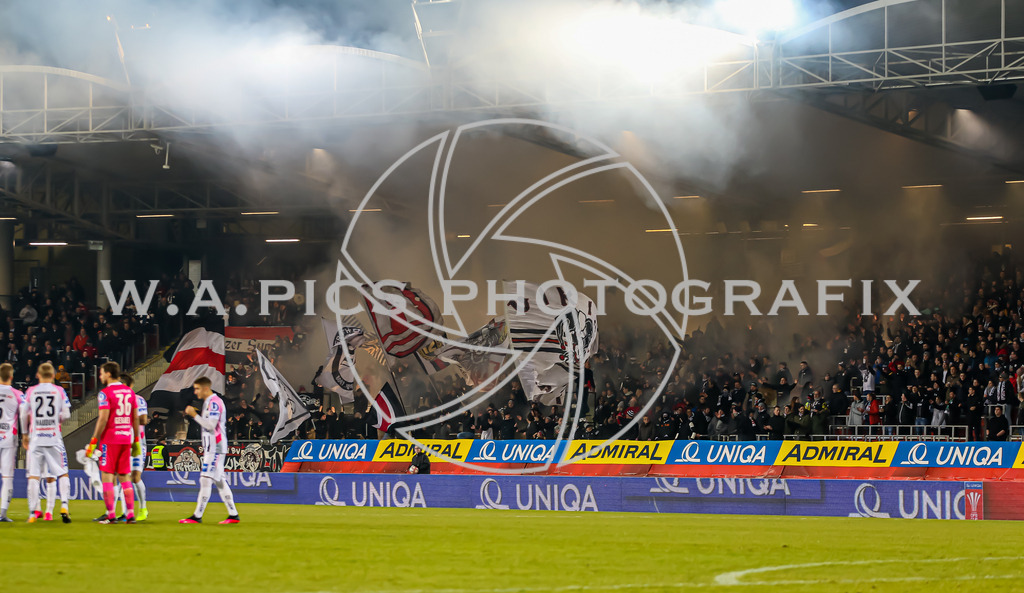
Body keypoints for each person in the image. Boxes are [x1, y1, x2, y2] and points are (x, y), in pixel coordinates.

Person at [85, 361, 141, 524]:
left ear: (109, 374)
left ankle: (110, 515)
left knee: (108, 476)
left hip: (110, 439)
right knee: (124, 476)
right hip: (126, 438)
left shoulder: (105, 393)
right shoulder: (130, 393)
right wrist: (136, 439)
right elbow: (135, 417)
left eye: (101, 373)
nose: (100, 376)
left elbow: (103, 418)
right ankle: (130, 514)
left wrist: (94, 440)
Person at [179, 377, 240, 525]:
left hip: (216, 448)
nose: (195, 392)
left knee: (205, 479)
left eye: (197, 388)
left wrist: (194, 415)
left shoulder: (214, 403)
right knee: (219, 481)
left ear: (206, 388)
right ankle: (233, 515)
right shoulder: (208, 402)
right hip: (212, 448)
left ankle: (197, 516)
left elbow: (211, 426)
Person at [21, 363, 72, 523]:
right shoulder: (59, 391)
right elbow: (67, 414)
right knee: (62, 472)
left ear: (38, 375)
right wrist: (56, 420)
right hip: (53, 436)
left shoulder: (31, 391)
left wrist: (24, 434)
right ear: (53, 376)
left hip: (36, 437)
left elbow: (23, 414)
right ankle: (64, 505)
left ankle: (32, 513)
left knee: (34, 475)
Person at [114, 374, 149, 522]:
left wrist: (126, 414)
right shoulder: (116, 401)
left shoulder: (137, 399)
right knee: (122, 477)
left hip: (137, 443)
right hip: (122, 442)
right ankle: (125, 512)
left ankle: (143, 508)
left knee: (135, 477)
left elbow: (143, 420)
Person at [0, 363, 23, 521]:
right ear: (11, 377)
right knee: (7, 477)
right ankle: (2, 513)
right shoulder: (17, 394)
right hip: (8, 437)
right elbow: (26, 414)